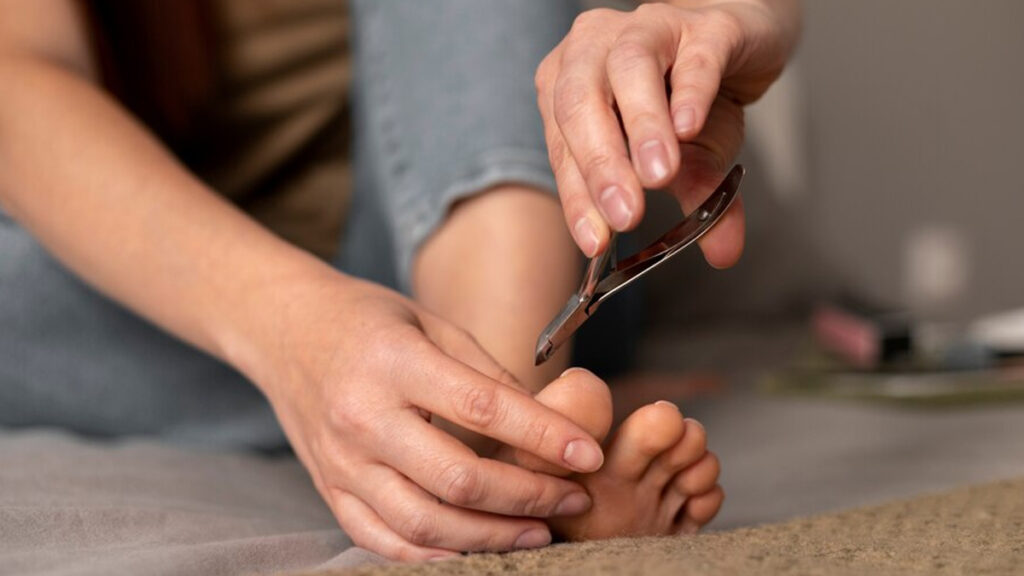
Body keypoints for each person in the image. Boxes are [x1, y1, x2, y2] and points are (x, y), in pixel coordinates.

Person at [0, 0, 800, 567]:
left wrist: (721, 14)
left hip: (475, 254)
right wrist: (286, 326)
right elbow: (18, 78)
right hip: (197, 278)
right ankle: (511, 435)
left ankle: (490, 416)